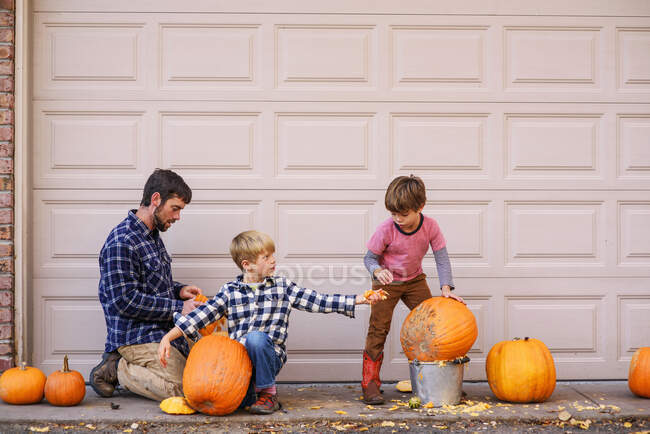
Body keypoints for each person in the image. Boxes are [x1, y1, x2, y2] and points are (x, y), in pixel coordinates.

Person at [158, 230, 383, 415]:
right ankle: (247, 393)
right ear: (247, 265)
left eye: (272, 255)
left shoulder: (282, 287)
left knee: (256, 338)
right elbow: (200, 316)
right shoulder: (230, 292)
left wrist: (358, 300)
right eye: (266, 257)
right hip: (238, 364)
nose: (273, 260)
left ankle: (268, 393)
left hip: (270, 355)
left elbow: (318, 300)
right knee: (232, 401)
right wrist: (168, 337)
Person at [90, 169, 203, 401]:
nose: (178, 217)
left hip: (160, 330)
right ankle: (118, 368)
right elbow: (125, 300)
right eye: (175, 208)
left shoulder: (151, 236)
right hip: (134, 336)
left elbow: (153, 286)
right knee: (186, 390)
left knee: (202, 378)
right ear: (156, 200)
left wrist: (178, 290)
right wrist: (177, 307)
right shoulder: (122, 242)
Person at [361, 175, 465, 405]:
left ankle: (441, 380)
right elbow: (369, 259)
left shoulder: (431, 227)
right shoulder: (386, 229)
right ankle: (370, 383)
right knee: (378, 328)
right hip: (386, 283)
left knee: (433, 326)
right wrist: (377, 271)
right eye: (393, 214)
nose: (398, 219)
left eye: (404, 214)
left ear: (420, 207)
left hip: (415, 281)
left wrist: (445, 288)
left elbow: (442, 259)